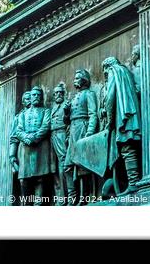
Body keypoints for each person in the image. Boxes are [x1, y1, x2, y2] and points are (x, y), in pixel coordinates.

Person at [100, 56, 142, 194]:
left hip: (122, 116)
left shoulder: (113, 71)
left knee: (126, 148)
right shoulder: (125, 72)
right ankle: (133, 181)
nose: (104, 74)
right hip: (131, 112)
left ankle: (133, 183)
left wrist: (110, 121)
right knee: (129, 147)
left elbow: (111, 98)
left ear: (107, 66)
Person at [63, 69, 99, 205]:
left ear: (84, 79)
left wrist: (89, 132)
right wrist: (66, 112)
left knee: (83, 165)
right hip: (73, 129)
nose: (74, 80)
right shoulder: (73, 98)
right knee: (67, 166)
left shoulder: (89, 94)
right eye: (74, 78)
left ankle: (85, 198)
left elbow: (93, 114)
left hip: (82, 128)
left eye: (78, 77)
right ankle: (72, 197)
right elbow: (66, 121)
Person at [14, 85, 51, 205]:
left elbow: (46, 126)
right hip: (25, 148)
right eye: (34, 95)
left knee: (39, 178)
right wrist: (25, 137)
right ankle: (26, 203)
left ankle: (38, 204)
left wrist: (34, 137)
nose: (36, 97)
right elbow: (18, 130)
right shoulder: (22, 114)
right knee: (23, 179)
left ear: (41, 98)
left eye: (38, 95)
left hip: (40, 147)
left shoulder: (46, 111)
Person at [49, 82, 70, 205]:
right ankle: (58, 196)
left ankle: (65, 195)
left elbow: (67, 120)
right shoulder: (53, 108)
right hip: (52, 136)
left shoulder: (66, 105)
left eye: (60, 93)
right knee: (54, 168)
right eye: (56, 93)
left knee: (63, 164)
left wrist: (66, 112)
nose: (58, 95)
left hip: (61, 134)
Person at [9, 90, 31, 194]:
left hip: (37, 150)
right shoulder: (18, 117)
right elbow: (14, 138)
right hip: (23, 152)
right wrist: (12, 156)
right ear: (23, 102)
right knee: (23, 180)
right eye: (27, 98)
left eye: (31, 98)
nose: (30, 100)